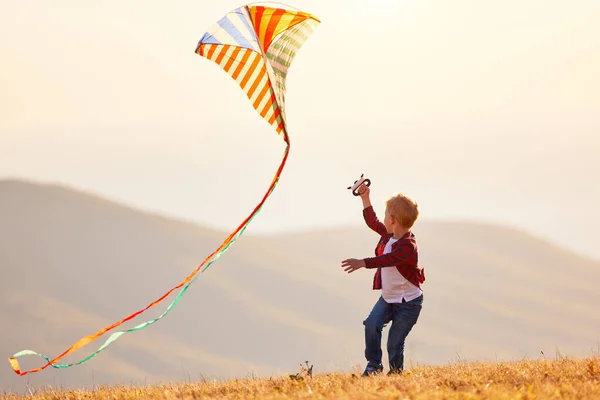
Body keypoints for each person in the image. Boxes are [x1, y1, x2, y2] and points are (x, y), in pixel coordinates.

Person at [341, 183, 425, 376]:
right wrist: (365, 198)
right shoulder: (389, 235)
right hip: (388, 299)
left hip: (409, 304)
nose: (383, 217)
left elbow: (388, 259)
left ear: (393, 220)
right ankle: (374, 365)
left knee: (394, 343)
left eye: (386, 214)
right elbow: (372, 222)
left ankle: (395, 374)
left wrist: (362, 262)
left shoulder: (408, 246)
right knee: (372, 324)